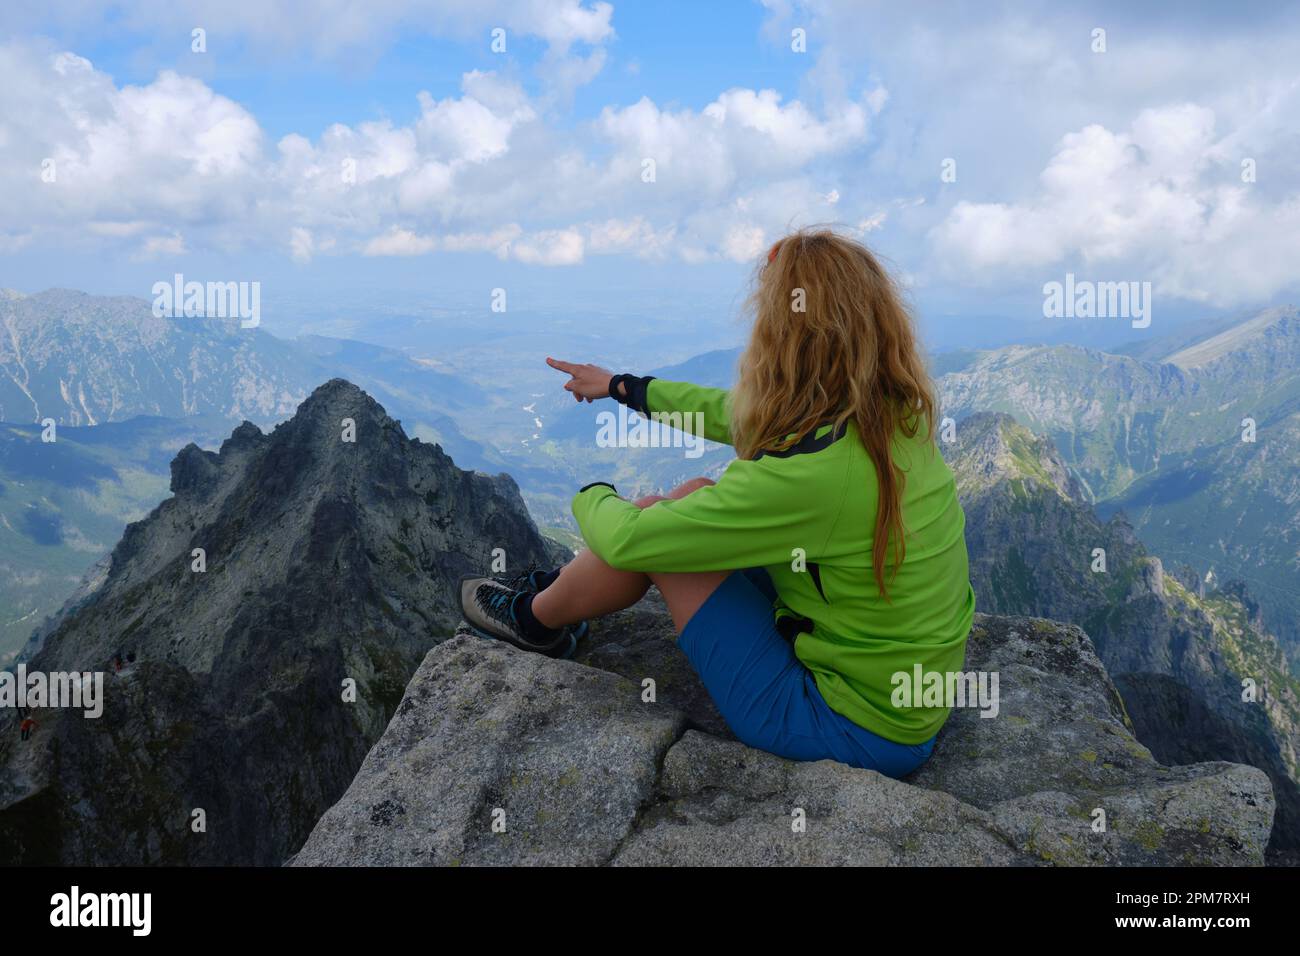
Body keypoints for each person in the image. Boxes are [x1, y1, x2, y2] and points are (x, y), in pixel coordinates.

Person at [459, 228, 975, 778]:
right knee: (694, 497)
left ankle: (534, 621)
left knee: (657, 528)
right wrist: (623, 387)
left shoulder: (814, 479)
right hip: (908, 695)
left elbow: (629, 538)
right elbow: (741, 415)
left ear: (782, 338)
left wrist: (592, 495)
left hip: (856, 728)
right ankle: (555, 603)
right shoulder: (891, 415)